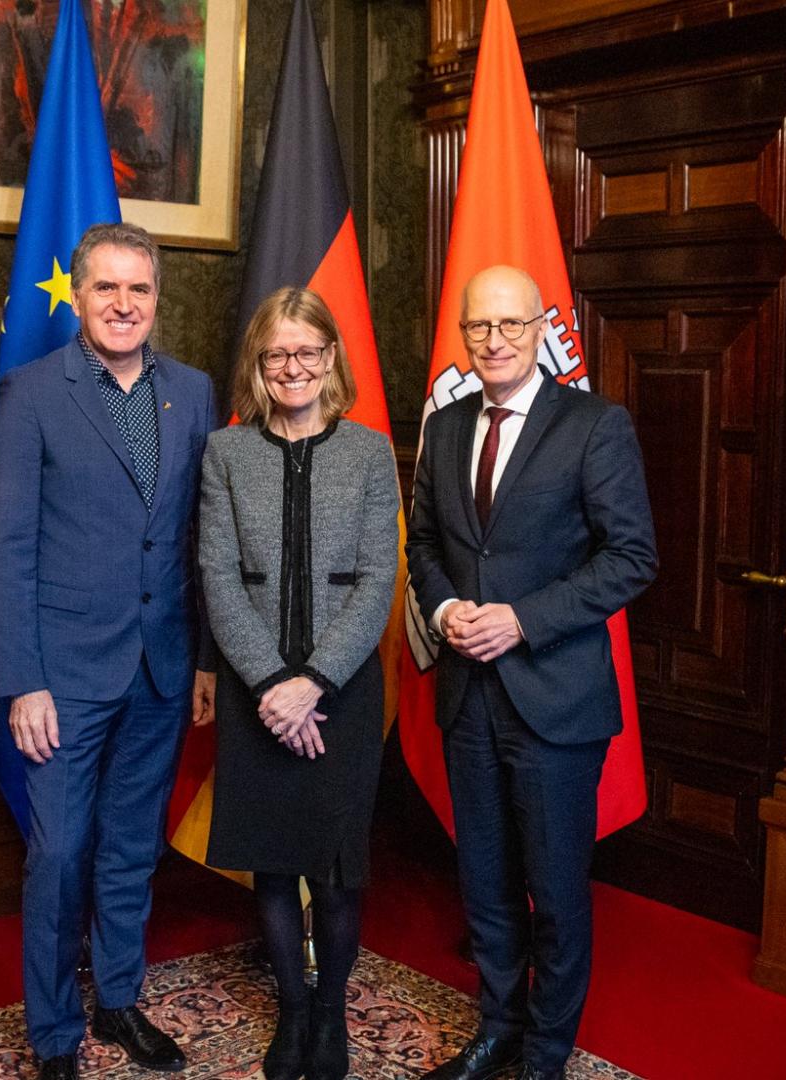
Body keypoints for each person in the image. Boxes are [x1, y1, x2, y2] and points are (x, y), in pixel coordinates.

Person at [0, 221, 220, 1080]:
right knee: (58, 851)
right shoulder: (33, 393)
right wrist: (24, 682)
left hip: (160, 664)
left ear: (158, 298)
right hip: (64, 676)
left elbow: (198, 539)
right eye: (107, 288)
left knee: (129, 846)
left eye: (140, 289)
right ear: (79, 297)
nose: (124, 304)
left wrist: (200, 661)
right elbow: (5, 545)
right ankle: (51, 1036)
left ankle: (118, 1000)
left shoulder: (191, 392)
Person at [405, 266, 657, 1080]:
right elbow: (426, 545)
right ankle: (498, 1030)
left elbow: (632, 557)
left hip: (555, 698)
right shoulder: (444, 430)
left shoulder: (593, 425)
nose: (494, 342)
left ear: (544, 329)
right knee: (483, 883)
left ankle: (544, 1056)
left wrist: (523, 619)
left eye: (512, 326)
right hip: (467, 697)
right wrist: (444, 614)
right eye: (479, 328)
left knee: (554, 892)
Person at [196, 287, 400, 1080]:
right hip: (256, 695)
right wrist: (273, 684)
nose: (293, 367)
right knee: (275, 863)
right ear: (258, 362)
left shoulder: (371, 451)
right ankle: (290, 1006)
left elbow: (379, 578)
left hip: (341, 693)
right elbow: (217, 575)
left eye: (308, 351)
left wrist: (313, 681)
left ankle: (330, 1009)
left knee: (337, 866)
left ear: (330, 359)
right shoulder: (226, 453)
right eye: (278, 353)